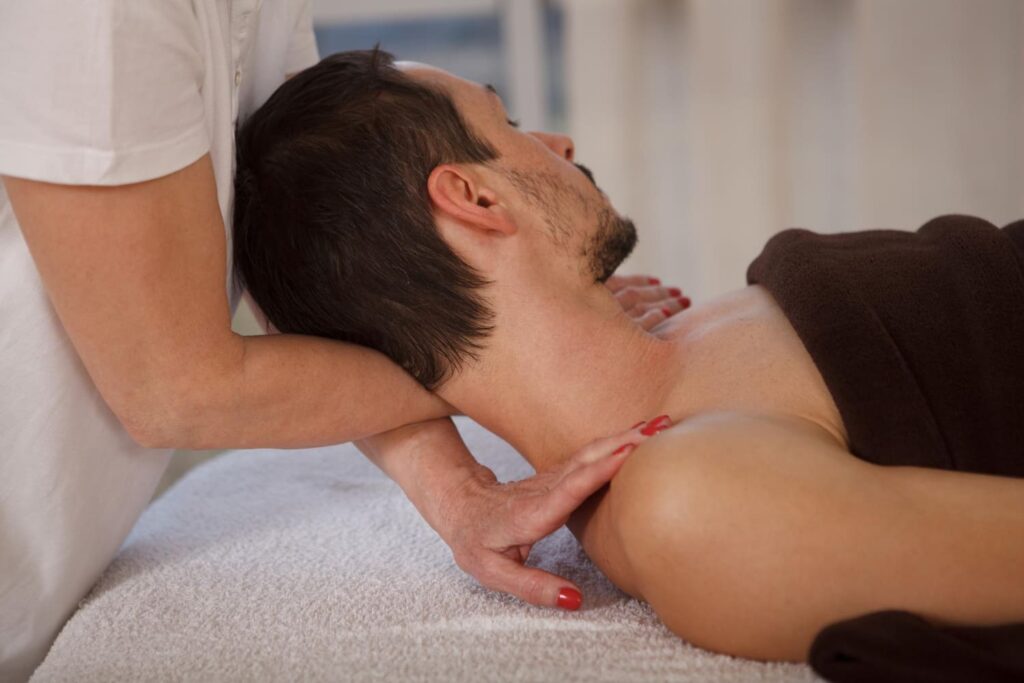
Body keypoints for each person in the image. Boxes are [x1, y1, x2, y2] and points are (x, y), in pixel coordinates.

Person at [233, 49, 1024, 679]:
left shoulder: (689, 340)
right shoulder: (687, 497)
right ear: (475, 198)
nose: (560, 146)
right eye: (508, 124)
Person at [0, 6, 685, 680]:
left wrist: (460, 493)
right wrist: (523, 352)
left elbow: (303, 242)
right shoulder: (97, 17)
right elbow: (176, 389)